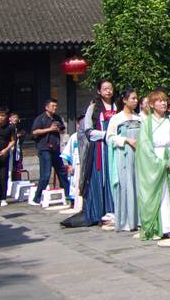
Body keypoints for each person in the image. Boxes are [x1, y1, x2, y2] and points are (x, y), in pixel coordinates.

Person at [136, 90, 170, 241]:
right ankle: (158, 227)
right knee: (159, 194)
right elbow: (145, 147)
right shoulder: (147, 123)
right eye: (159, 101)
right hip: (155, 160)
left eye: (165, 100)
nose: (163, 103)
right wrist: (159, 163)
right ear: (152, 105)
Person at [79, 79, 116, 226]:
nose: (108, 91)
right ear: (99, 91)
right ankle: (97, 212)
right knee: (99, 178)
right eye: (105, 88)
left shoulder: (117, 106)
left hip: (114, 146)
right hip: (100, 148)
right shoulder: (93, 107)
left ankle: (113, 210)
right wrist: (105, 134)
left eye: (110, 88)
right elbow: (88, 131)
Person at [107, 88, 142, 231]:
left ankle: (139, 219)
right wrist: (126, 140)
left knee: (138, 185)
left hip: (138, 156)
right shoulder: (117, 118)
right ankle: (126, 221)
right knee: (126, 185)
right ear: (124, 100)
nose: (135, 101)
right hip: (124, 155)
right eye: (132, 98)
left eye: (136, 98)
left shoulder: (139, 118)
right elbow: (109, 137)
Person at [30, 99, 71, 207]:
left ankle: (68, 194)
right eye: (52, 106)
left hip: (55, 148)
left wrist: (58, 130)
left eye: (56, 106)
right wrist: (50, 129)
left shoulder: (57, 118)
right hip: (44, 149)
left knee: (62, 172)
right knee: (46, 174)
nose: (55, 108)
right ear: (47, 107)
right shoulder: (41, 118)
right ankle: (37, 197)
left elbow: (62, 129)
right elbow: (34, 132)